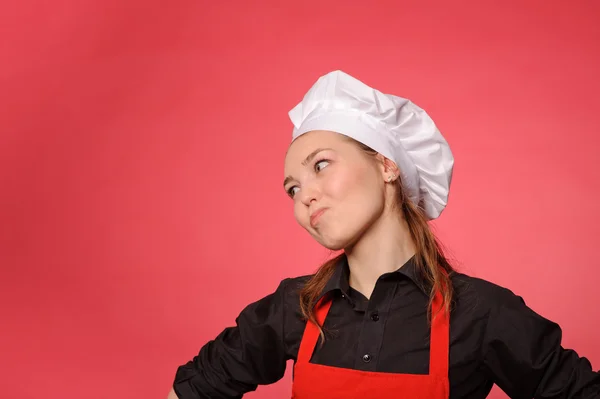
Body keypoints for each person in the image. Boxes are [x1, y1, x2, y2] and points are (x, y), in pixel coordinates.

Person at [166, 70, 600, 398]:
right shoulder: (293, 308)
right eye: (292, 189)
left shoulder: (482, 314)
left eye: (321, 165)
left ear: (387, 165)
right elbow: (196, 387)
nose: (305, 197)